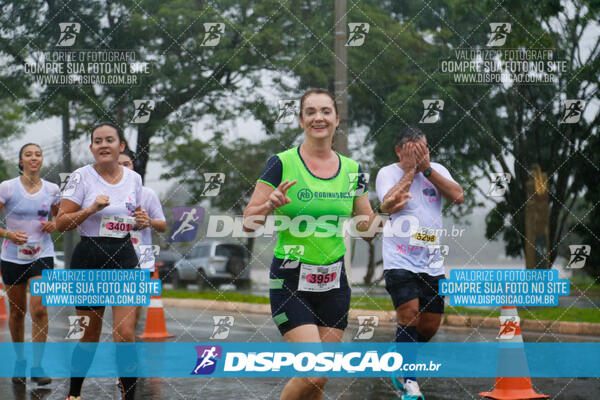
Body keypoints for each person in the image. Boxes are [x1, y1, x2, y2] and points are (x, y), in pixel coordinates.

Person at [243, 88, 410, 400]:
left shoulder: (352, 170)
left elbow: (366, 229)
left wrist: (384, 209)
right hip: (291, 280)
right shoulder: (280, 163)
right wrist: (269, 206)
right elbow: (248, 221)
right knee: (313, 372)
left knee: (319, 382)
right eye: (310, 112)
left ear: (336, 119)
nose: (318, 117)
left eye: (325, 111)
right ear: (301, 120)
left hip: (334, 285)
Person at [56, 122, 148, 400]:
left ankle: (128, 395)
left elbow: (136, 216)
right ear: (92, 148)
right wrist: (91, 208)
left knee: (125, 334)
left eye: (110, 140)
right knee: (89, 337)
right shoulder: (80, 177)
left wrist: (142, 221)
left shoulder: (134, 179)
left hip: (123, 255)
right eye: (98, 141)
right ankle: (74, 394)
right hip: (90, 258)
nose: (104, 145)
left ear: (121, 146)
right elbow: (61, 222)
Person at [375, 126, 463, 400]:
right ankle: (409, 382)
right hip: (399, 258)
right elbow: (390, 203)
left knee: (428, 326)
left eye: (424, 149)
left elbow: (458, 197)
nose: (421, 155)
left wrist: (426, 170)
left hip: (432, 261)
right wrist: (410, 171)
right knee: (409, 313)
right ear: (399, 150)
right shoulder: (387, 172)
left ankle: (401, 352)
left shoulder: (435, 170)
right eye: (414, 151)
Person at [0, 143, 60, 385]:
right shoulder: (7, 187)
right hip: (12, 257)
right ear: (21, 161)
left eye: (38, 154)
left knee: (39, 309)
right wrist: (8, 234)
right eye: (28, 155)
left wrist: (55, 224)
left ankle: (37, 365)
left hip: (41, 255)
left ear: (42, 160)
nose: (34, 158)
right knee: (17, 313)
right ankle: (20, 360)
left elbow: (61, 217)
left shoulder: (53, 189)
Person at [118, 149, 166, 325]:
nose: (124, 168)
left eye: (127, 164)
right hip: (114, 258)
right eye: (118, 165)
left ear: (133, 166)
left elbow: (162, 226)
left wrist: (149, 221)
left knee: (131, 319)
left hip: (142, 260)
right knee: (120, 317)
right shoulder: (106, 196)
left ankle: (127, 348)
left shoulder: (147, 194)